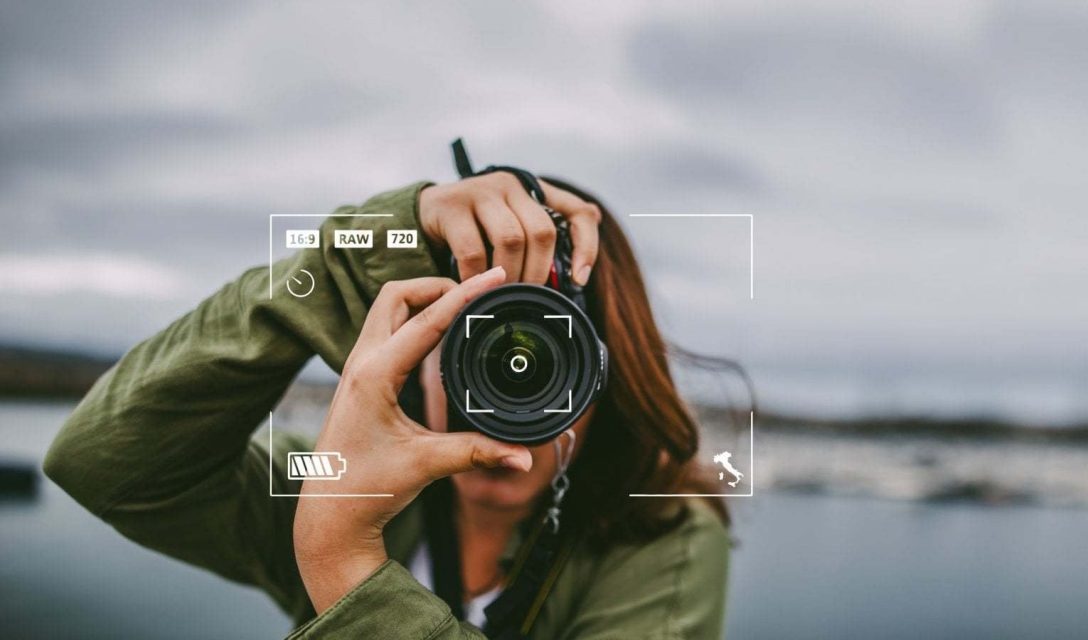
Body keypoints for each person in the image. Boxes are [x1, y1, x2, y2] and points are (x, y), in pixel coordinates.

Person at [44, 170, 732, 639]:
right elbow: (105, 464)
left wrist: (343, 562)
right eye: (474, 350)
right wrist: (351, 262)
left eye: (547, 365)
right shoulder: (337, 482)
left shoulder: (664, 535)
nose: (502, 403)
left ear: (608, 380)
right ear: (412, 353)